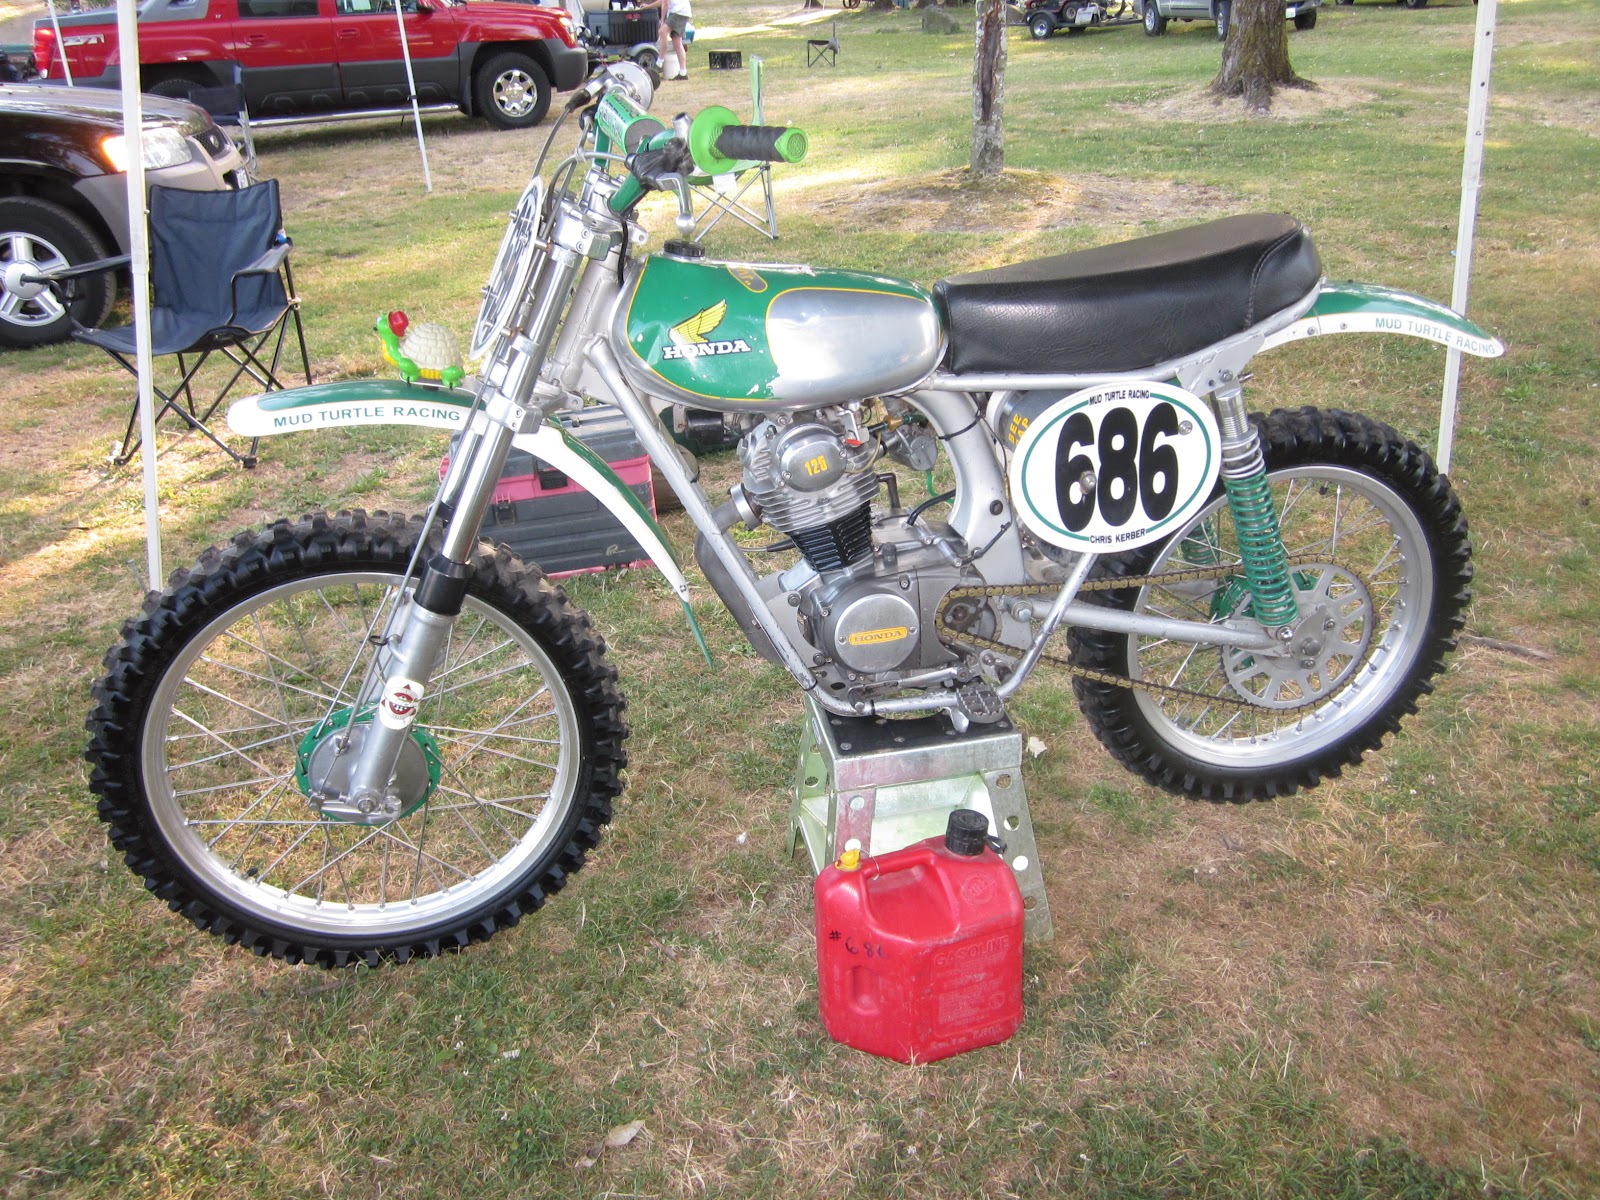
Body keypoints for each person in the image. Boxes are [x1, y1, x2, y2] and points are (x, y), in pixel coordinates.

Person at [662, 0, 691, 80]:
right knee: (677, 42)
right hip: (684, 11)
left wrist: (662, 20)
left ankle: (659, 62)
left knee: (662, 31)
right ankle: (683, 73)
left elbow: (665, 3)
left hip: (677, 11)